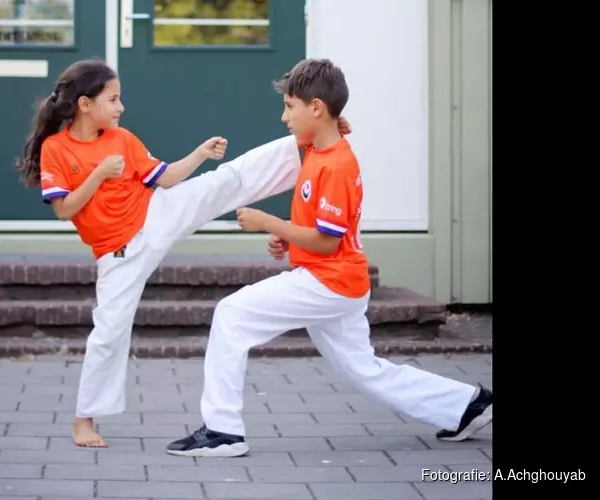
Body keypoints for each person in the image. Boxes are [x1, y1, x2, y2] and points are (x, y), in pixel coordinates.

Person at [14, 57, 352, 448]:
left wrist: (200, 153)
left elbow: (167, 177)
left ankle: (307, 141)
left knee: (225, 180)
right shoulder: (57, 148)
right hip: (118, 253)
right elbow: (64, 210)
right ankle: (83, 422)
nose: (121, 107)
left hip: (156, 214)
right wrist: (99, 174)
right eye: (114, 99)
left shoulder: (123, 138)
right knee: (108, 334)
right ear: (85, 104)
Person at [165, 58, 493, 458]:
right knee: (364, 370)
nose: (284, 117)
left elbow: (325, 242)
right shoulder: (318, 149)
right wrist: (288, 239)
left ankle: (223, 432)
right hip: (338, 281)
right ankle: (469, 406)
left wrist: (270, 222)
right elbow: (319, 224)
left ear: (316, 108)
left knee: (231, 314)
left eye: (290, 107)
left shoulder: (336, 164)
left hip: (328, 280)